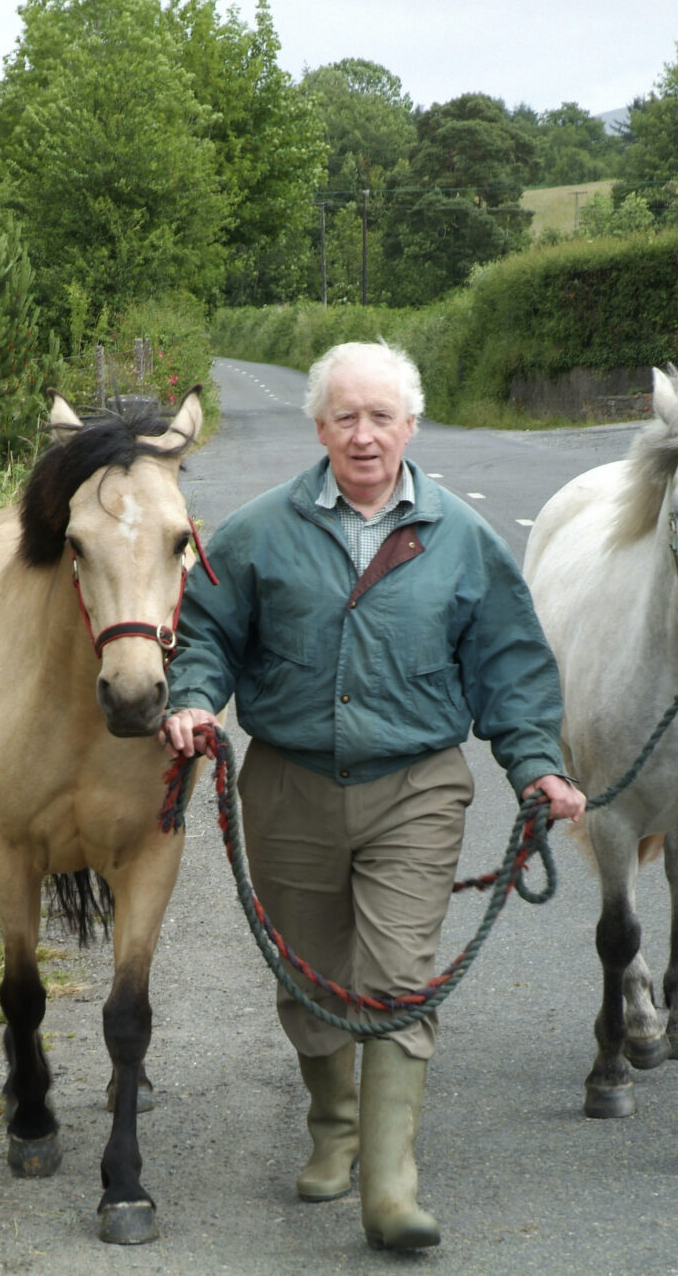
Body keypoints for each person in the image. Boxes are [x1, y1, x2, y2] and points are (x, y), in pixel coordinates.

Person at [159, 341, 583, 1252]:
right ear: (319, 427)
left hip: (417, 787)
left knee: (397, 978)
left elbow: (509, 662)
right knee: (307, 975)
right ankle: (335, 1128)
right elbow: (204, 629)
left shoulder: (461, 539)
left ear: (410, 427)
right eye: (346, 416)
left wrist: (536, 764)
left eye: (381, 416)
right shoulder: (260, 532)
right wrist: (194, 697)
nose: (363, 435)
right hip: (289, 782)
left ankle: (391, 1185)